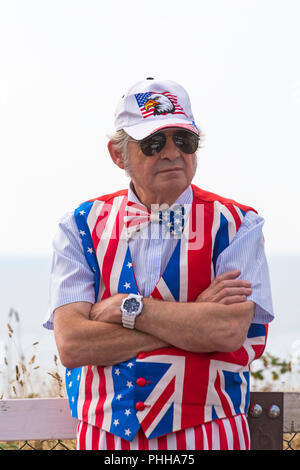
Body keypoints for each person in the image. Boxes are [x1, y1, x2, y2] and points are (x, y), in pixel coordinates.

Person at [44, 77, 274, 450]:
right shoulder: (78, 226)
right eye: (153, 143)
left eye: (183, 140)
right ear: (118, 155)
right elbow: (72, 345)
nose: (171, 153)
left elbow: (227, 332)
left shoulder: (238, 225)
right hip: (107, 443)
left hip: (210, 438)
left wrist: (125, 308)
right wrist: (193, 319)